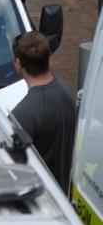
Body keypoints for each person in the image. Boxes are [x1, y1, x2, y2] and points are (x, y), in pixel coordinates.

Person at [9, 31, 76, 190]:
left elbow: (12, 169)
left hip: (42, 198)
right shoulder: (69, 92)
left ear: (18, 63)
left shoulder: (22, 114)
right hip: (64, 192)